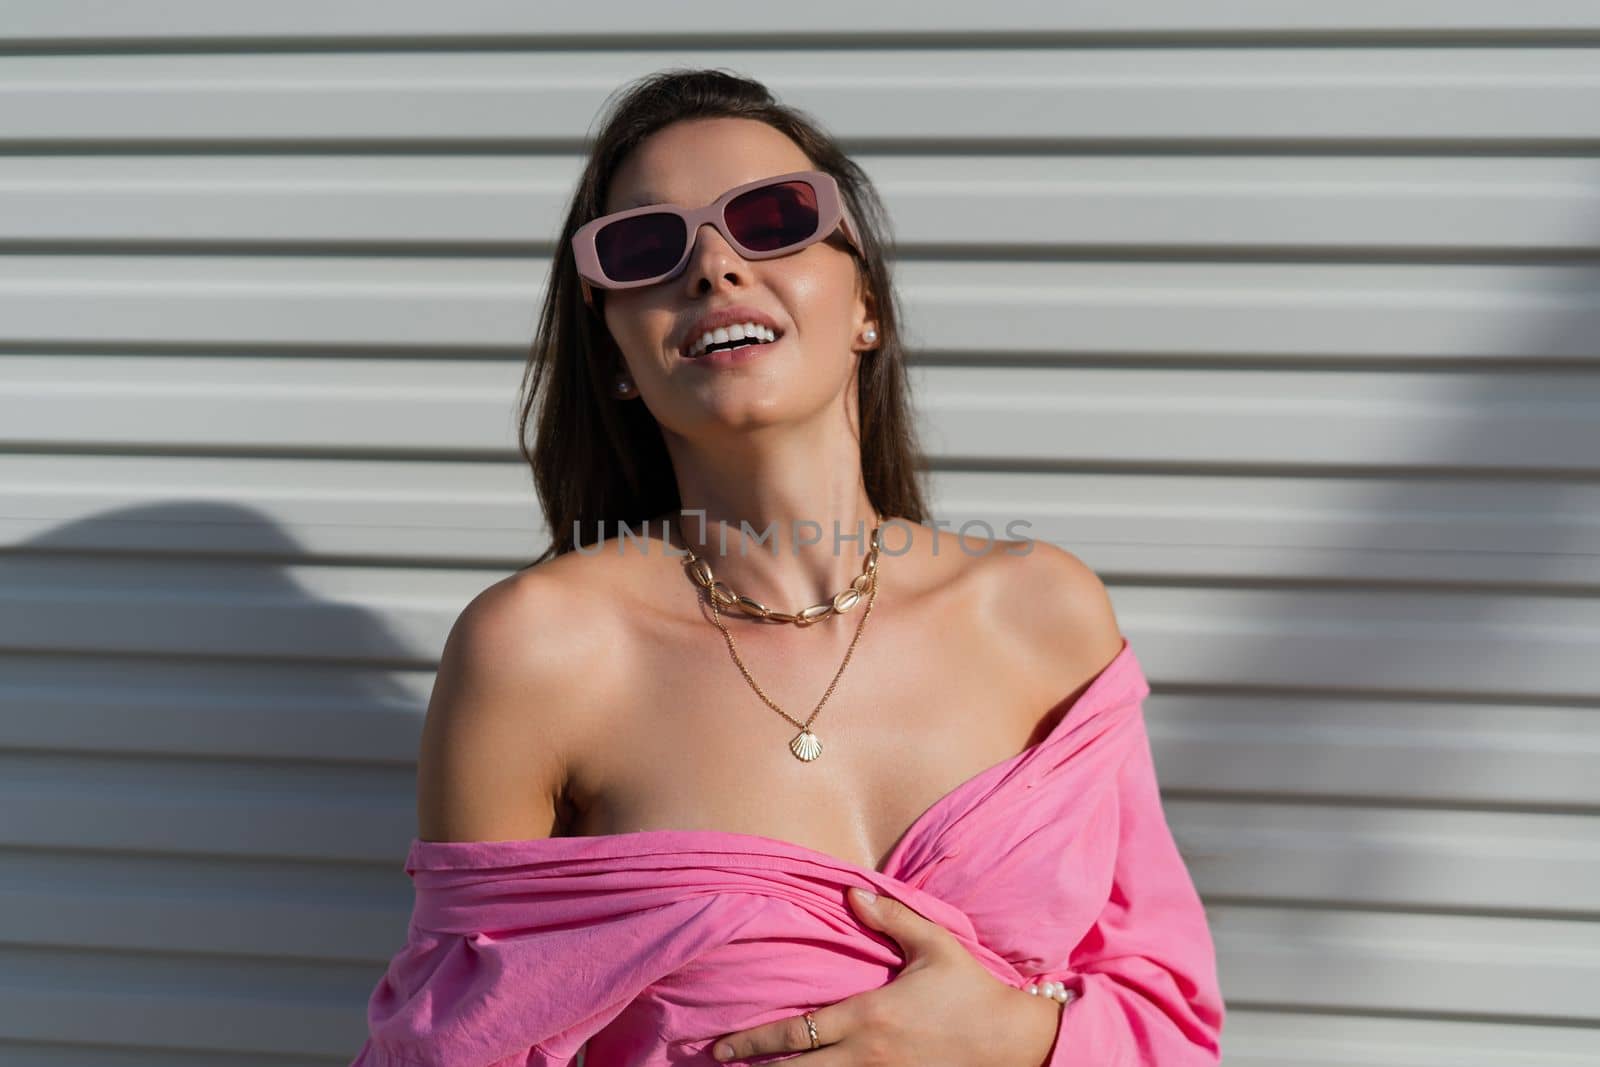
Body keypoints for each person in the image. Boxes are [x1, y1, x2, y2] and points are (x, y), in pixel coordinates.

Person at [351, 67, 1223, 1066]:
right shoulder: (540, 651)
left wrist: (1011, 1035)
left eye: (773, 217)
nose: (715, 267)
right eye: (647, 246)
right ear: (617, 358)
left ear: (866, 305)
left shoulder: (1040, 611)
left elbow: (1170, 1016)